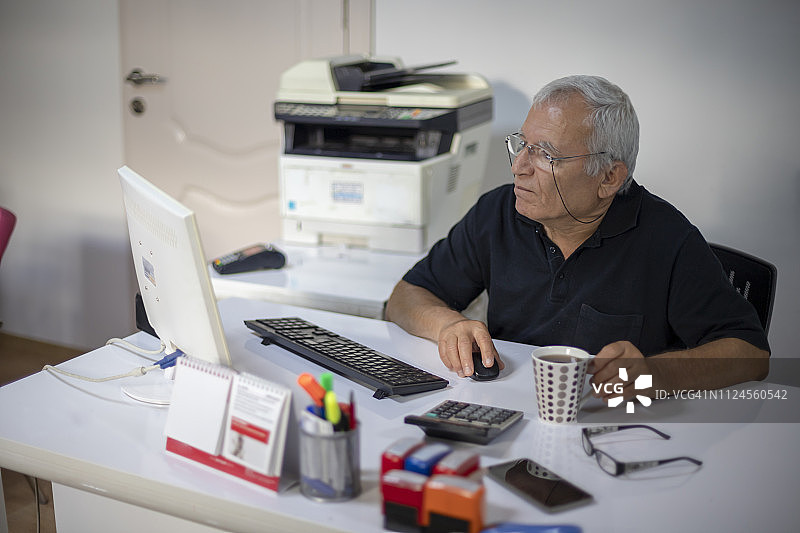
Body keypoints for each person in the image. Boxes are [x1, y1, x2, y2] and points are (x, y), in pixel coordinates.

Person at [384, 75, 769, 401]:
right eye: (522, 145)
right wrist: (447, 325)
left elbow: (751, 354)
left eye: (545, 155)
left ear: (609, 178)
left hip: (614, 427)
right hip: (507, 407)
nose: (519, 167)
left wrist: (655, 373)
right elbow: (405, 297)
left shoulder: (668, 239)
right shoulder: (498, 212)